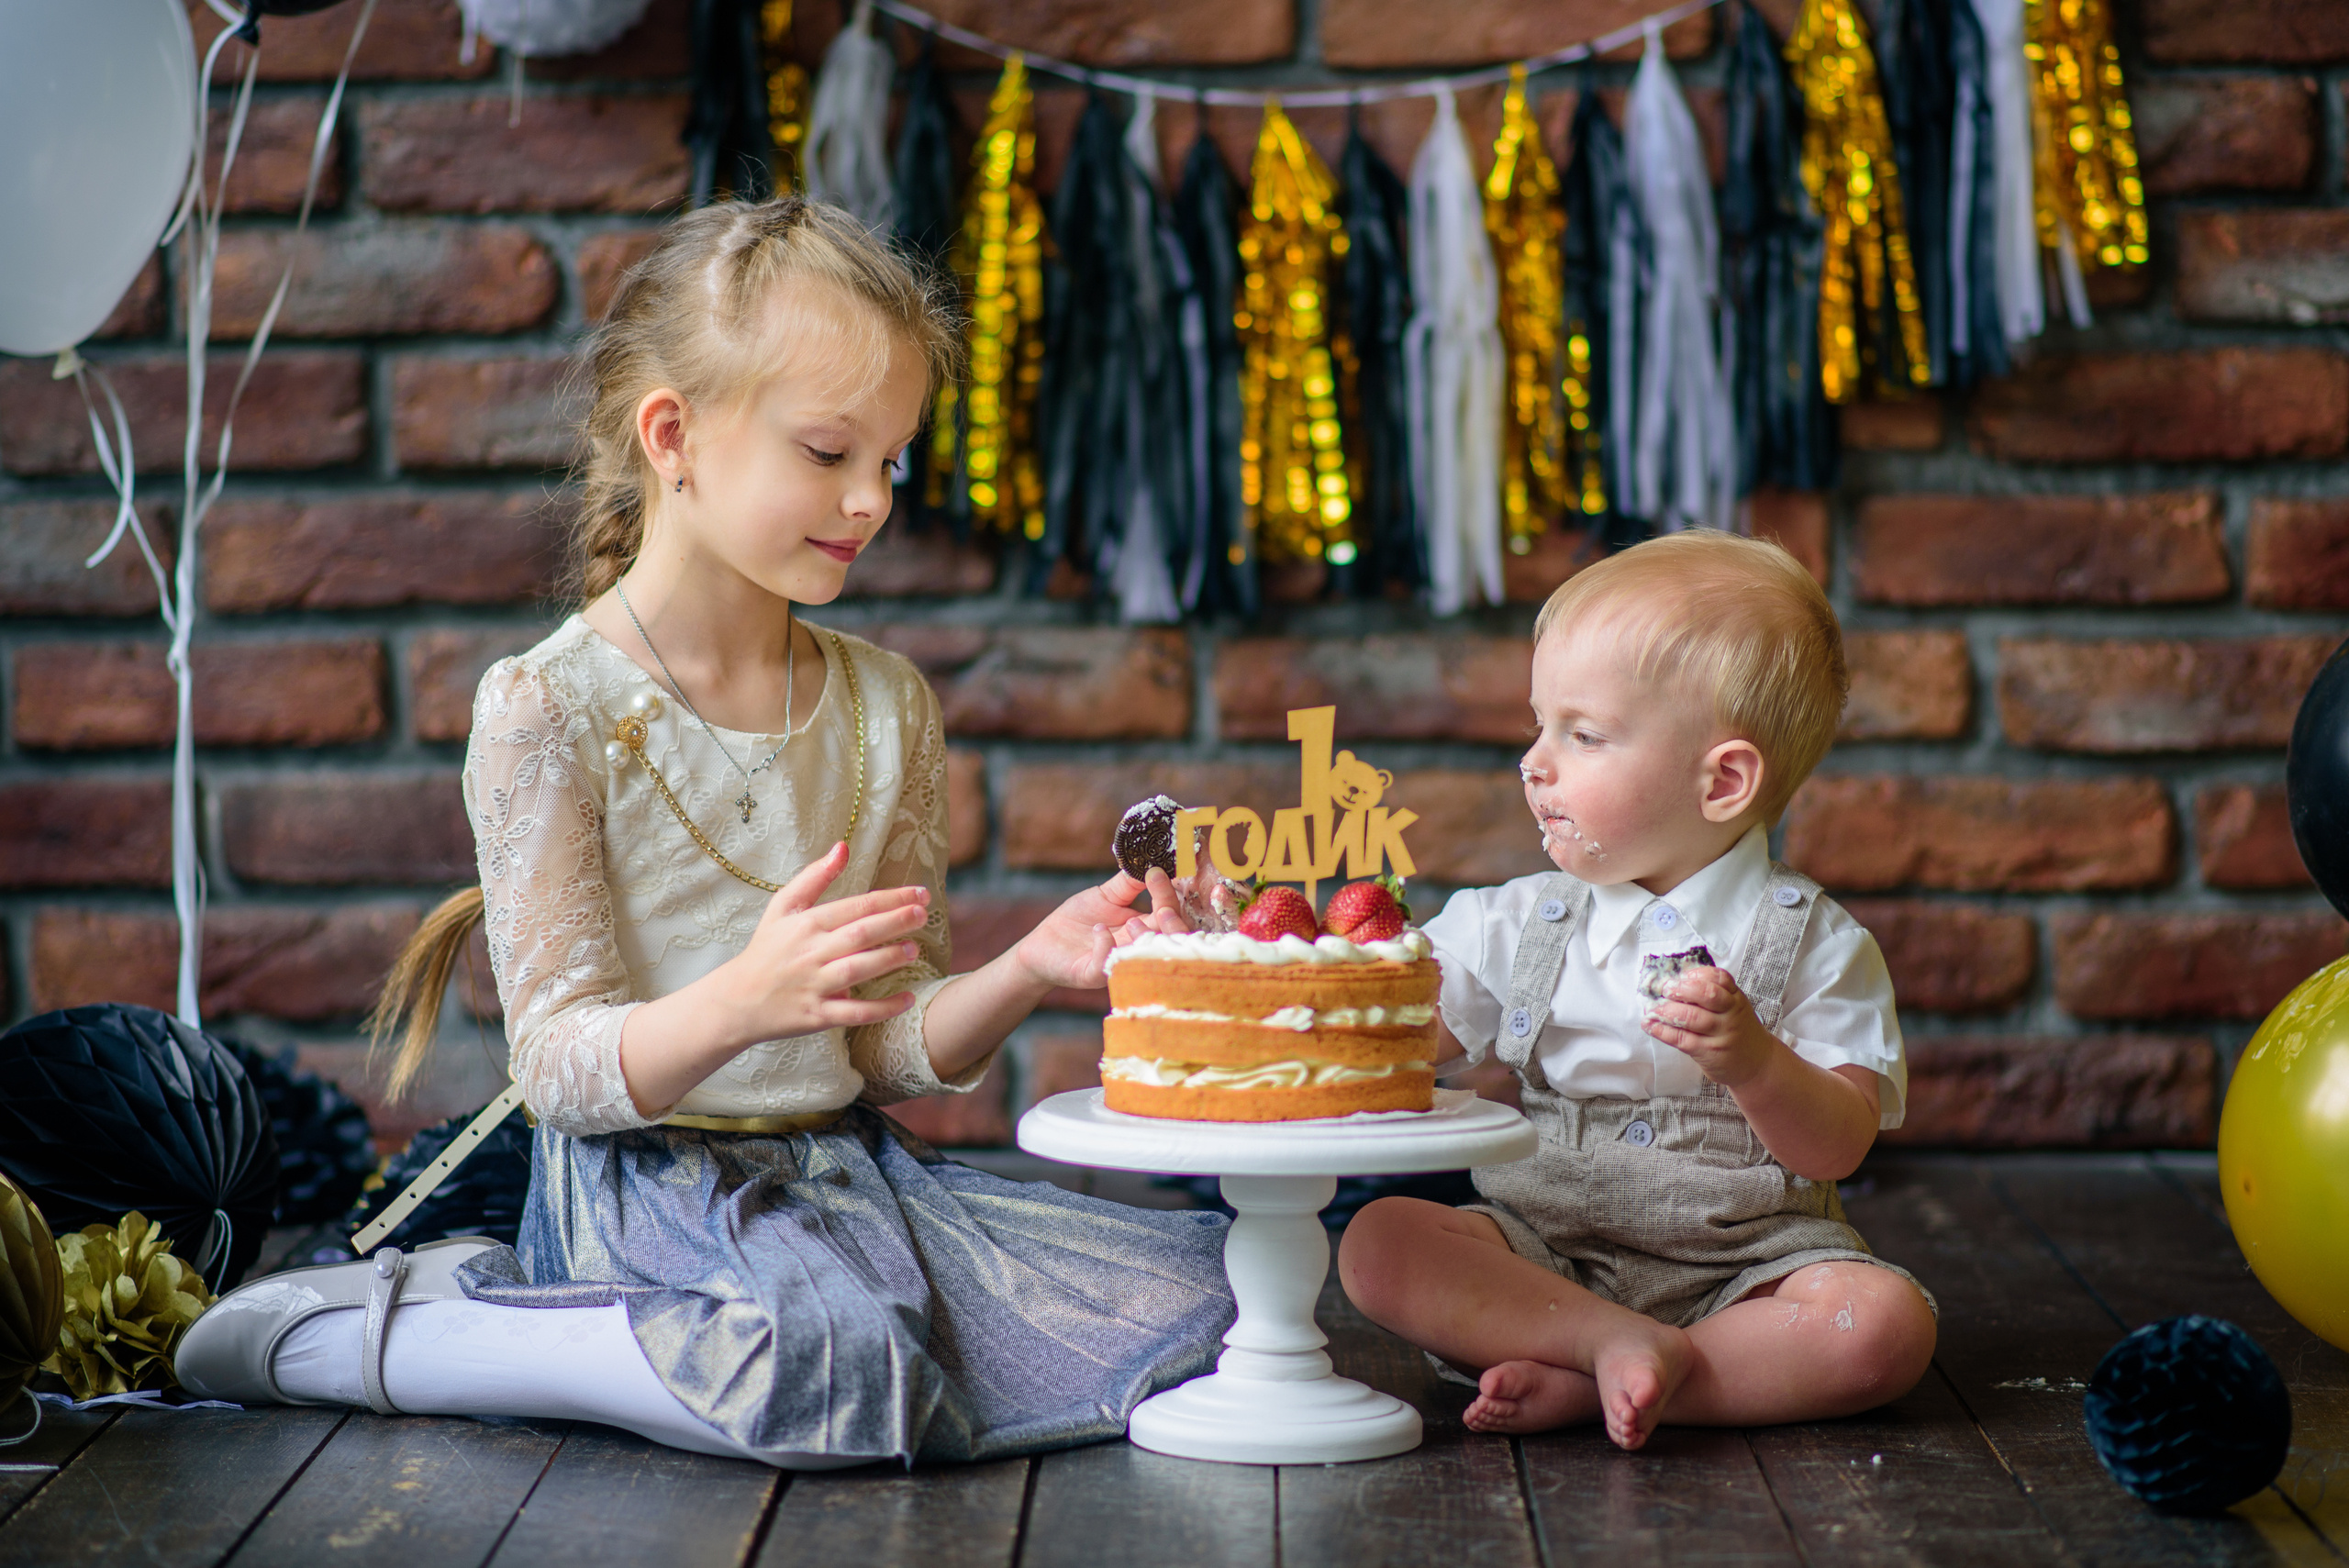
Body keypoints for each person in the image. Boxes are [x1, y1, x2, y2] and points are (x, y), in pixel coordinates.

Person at [178, 197, 1233, 1467]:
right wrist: (741, 1001)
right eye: (831, 452)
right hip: (647, 1198)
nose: (871, 500)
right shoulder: (549, 709)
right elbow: (560, 1066)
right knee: (836, 1365)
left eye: (891, 461)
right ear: (674, 435)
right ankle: (422, 1334)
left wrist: (1026, 969)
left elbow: (880, 1050)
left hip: (847, 1188)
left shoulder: (887, 705)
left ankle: (735, 1347)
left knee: (1223, 1295)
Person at [1336, 530, 1937, 1451]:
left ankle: (1630, 1378)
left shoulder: (1816, 941)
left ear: (1723, 779)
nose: (1533, 761)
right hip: (1539, 1252)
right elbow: (1382, 1038)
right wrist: (1252, 949)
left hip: (1744, 1266)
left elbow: (1837, 1145)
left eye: (1582, 734)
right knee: (1378, 1240)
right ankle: (1609, 1343)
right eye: (1539, 724)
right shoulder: (1515, 920)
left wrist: (1756, 1063)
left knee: (1883, 1323)